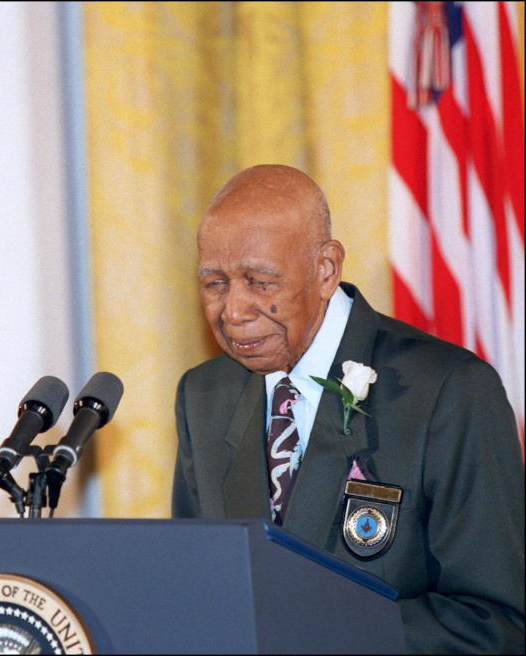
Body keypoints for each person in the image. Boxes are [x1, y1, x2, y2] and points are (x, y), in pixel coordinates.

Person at [172, 164, 524, 653]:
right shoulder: (203, 396)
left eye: (260, 282)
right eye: (215, 284)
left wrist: (315, 633)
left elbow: (495, 623)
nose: (233, 311)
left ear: (325, 270)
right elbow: (196, 591)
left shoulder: (448, 391)